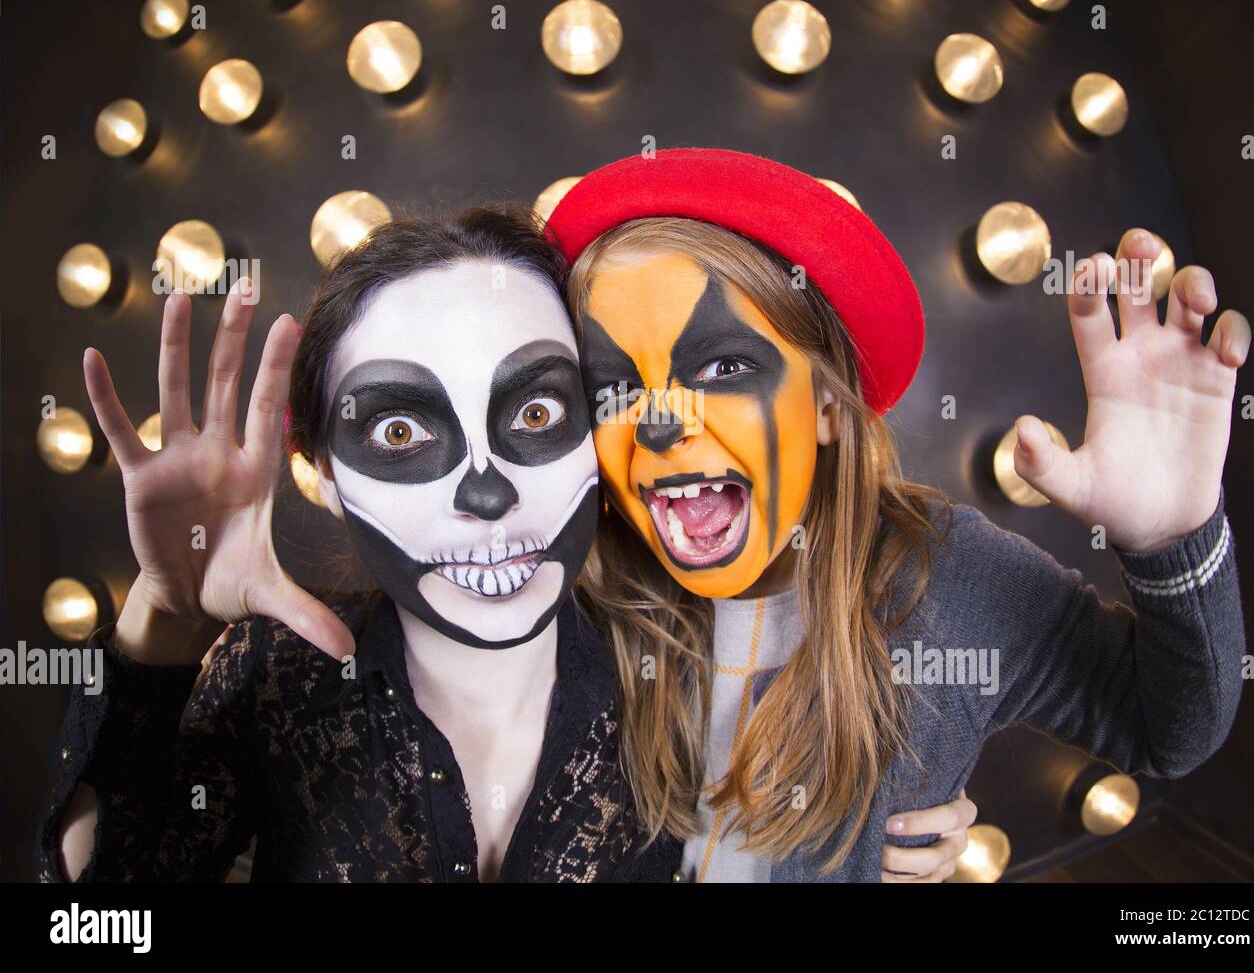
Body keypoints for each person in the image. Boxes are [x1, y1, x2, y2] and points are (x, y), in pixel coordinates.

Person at [41, 205, 968, 882]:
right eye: (402, 432)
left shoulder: (691, 661)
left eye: (534, 410)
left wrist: (899, 835)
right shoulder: (276, 676)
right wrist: (162, 615)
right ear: (321, 470)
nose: (487, 491)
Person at [546, 147, 1251, 882]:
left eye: (724, 367)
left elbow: (1165, 731)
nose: (660, 425)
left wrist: (1173, 540)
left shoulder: (951, 581)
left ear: (825, 403)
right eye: (617, 388)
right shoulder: (591, 597)